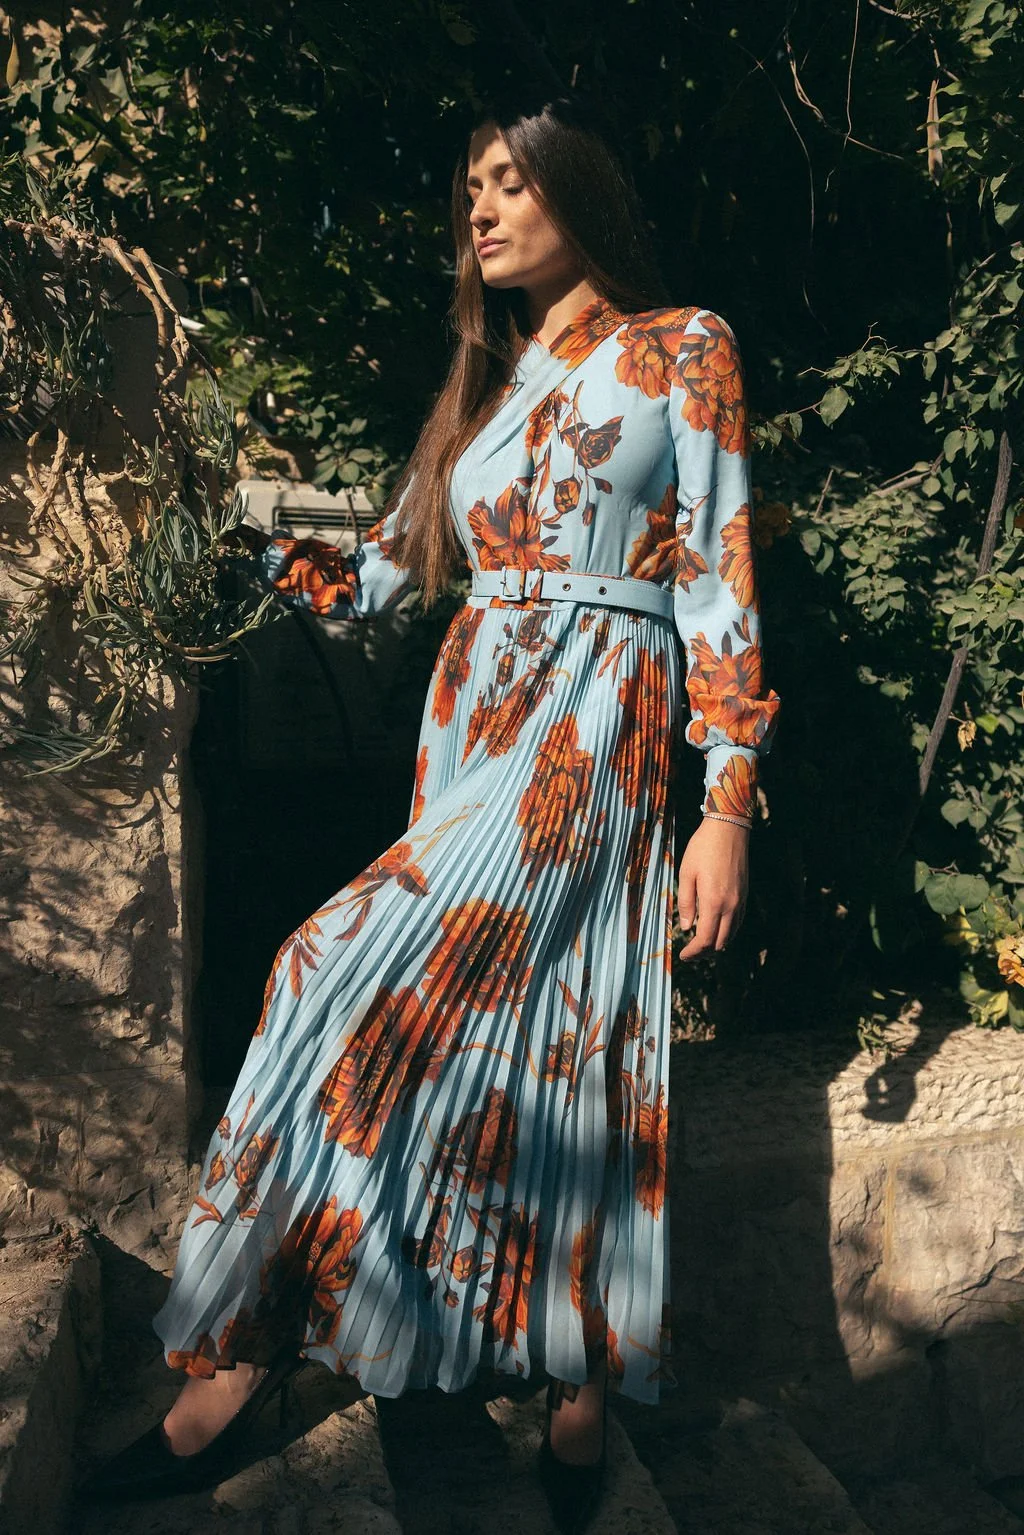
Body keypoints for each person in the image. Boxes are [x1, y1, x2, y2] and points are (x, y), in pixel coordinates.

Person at [79, 87, 781, 1534]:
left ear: (579, 187)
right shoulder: (491, 388)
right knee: (549, 1038)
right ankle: (576, 1386)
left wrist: (726, 801)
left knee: (326, 966)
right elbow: (386, 575)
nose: (481, 206)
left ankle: (240, 1362)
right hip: (473, 729)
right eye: (471, 186)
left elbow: (718, 577)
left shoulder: (682, 346)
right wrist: (200, 558)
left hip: (589, 728)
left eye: (509, 179)